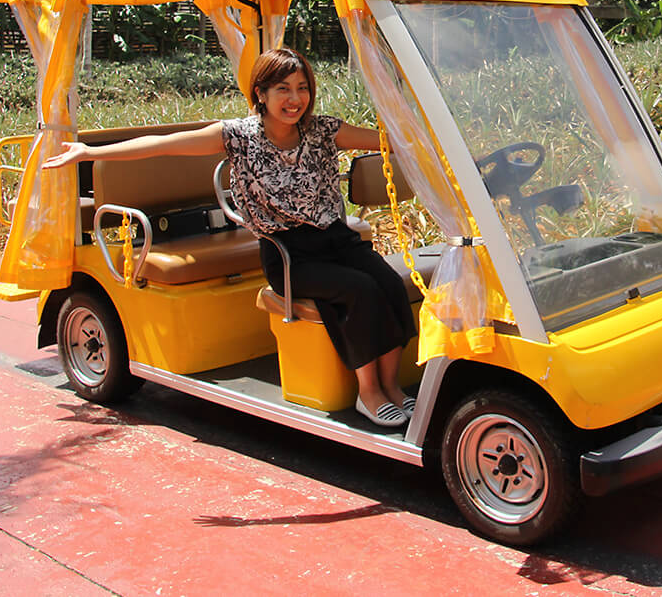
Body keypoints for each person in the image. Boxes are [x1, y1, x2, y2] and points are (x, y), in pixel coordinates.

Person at [42, 48, 417, 428]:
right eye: (283, 89)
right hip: (289, 254)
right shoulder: (238, 137)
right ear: (261, 93)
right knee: (360, 290)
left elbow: (389, 141)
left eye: (302, 88)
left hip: (337, 240)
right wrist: (90, 152)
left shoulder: (323, 131)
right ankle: (368, 393)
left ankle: (392, 387)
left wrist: (440, 140)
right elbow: (164, 145)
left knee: (388, 282)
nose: (295, 99)